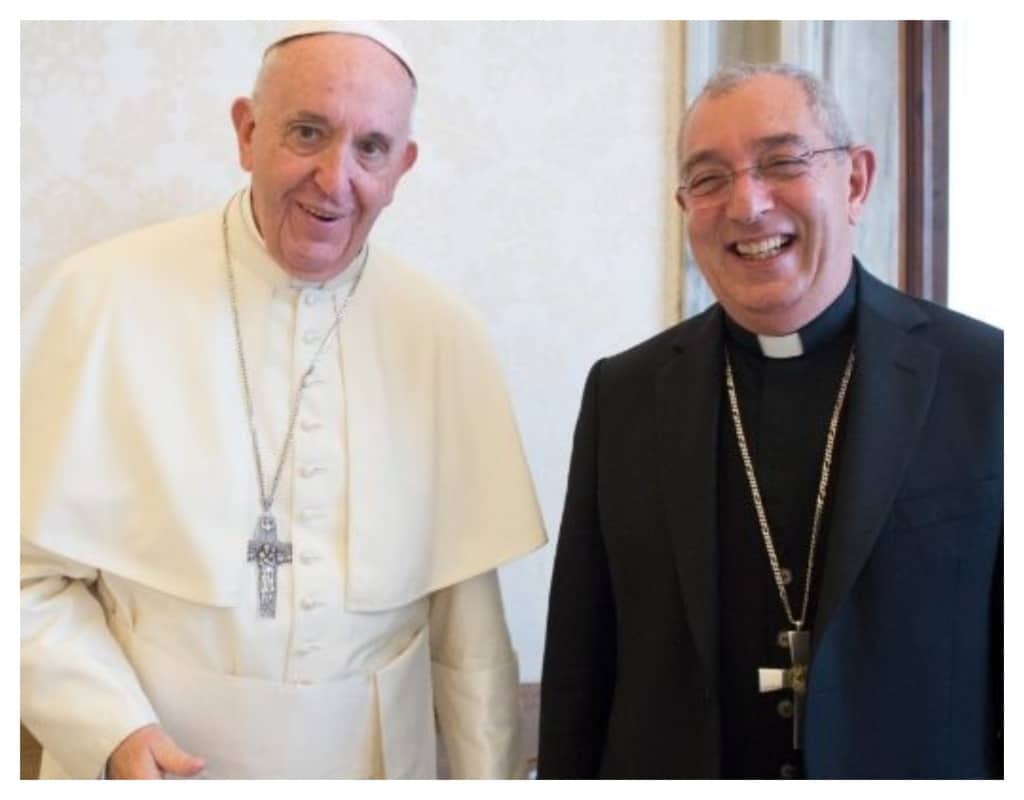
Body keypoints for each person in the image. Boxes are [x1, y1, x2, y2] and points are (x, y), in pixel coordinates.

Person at [22, 21, 546, 779]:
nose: (335, 180)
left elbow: (468, 640)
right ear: (247, 132)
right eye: (308, 132)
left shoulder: (444, 335)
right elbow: (23, 576)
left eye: (371, 148)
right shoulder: (98, 297)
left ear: (403, 166)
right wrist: (110, 731)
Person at [537, 62, 1002, 779]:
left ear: (854, 182)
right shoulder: (623, 395)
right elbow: (579, 665)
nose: (747, 205)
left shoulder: (987, 378)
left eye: (782, 162)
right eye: (710, 178)